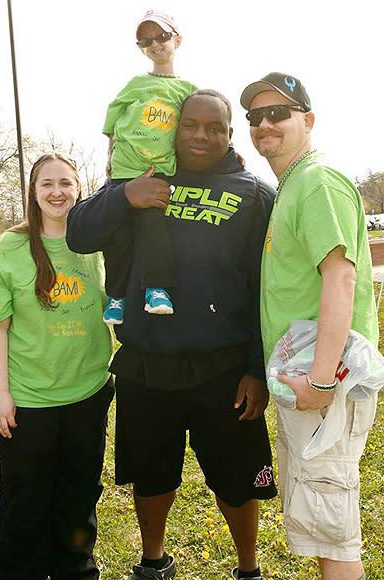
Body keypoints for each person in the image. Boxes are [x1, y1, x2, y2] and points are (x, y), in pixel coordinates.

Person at [67, 89, 277, 580]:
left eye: (213, 127)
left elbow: (267, 291)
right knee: (153, 473)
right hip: (147, 361)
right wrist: (123, 195)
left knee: (236, 481)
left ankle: (249, 568)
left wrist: (255, 368)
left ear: (229, 133)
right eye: (190, 125)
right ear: (174, 128)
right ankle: (153, 560)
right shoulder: (143, 176)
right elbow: (79, 232)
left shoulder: (254, 194)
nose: (200, 135)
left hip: (224, 369)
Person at [240, 72, 378, 580]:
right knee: (321, 524)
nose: (264, 124)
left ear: (309, 120)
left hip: (326, 382)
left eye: (279, 113)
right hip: (307, 381)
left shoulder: (318, 181)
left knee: (333, 529)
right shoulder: (291, 186)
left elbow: (340, 279)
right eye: (255, 117)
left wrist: (321, 382)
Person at [0, 153, 114, 580]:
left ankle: (75, 568)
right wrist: (2, 395)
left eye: (66, 183)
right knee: (25, 499)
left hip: (88, 394)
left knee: (78, 496)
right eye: (46, 184)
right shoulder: (12, 247)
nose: (57, 192)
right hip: (29, 399)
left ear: (79, 188)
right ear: (33, 194)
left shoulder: (99, 244)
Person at [102, 9, 197, 324]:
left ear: (177, 40)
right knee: (118, 235)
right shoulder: (135, 85)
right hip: (126, 171)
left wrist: (231, 153)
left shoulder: (188, 90)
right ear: (141, 47)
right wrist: (109, 155)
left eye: (162, 36)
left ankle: (155, 289)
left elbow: (203, 126)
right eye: (146, 40)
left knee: (154, 230)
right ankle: (116, 295)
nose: (155, 44)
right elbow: (114, 121)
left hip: (159, 173)